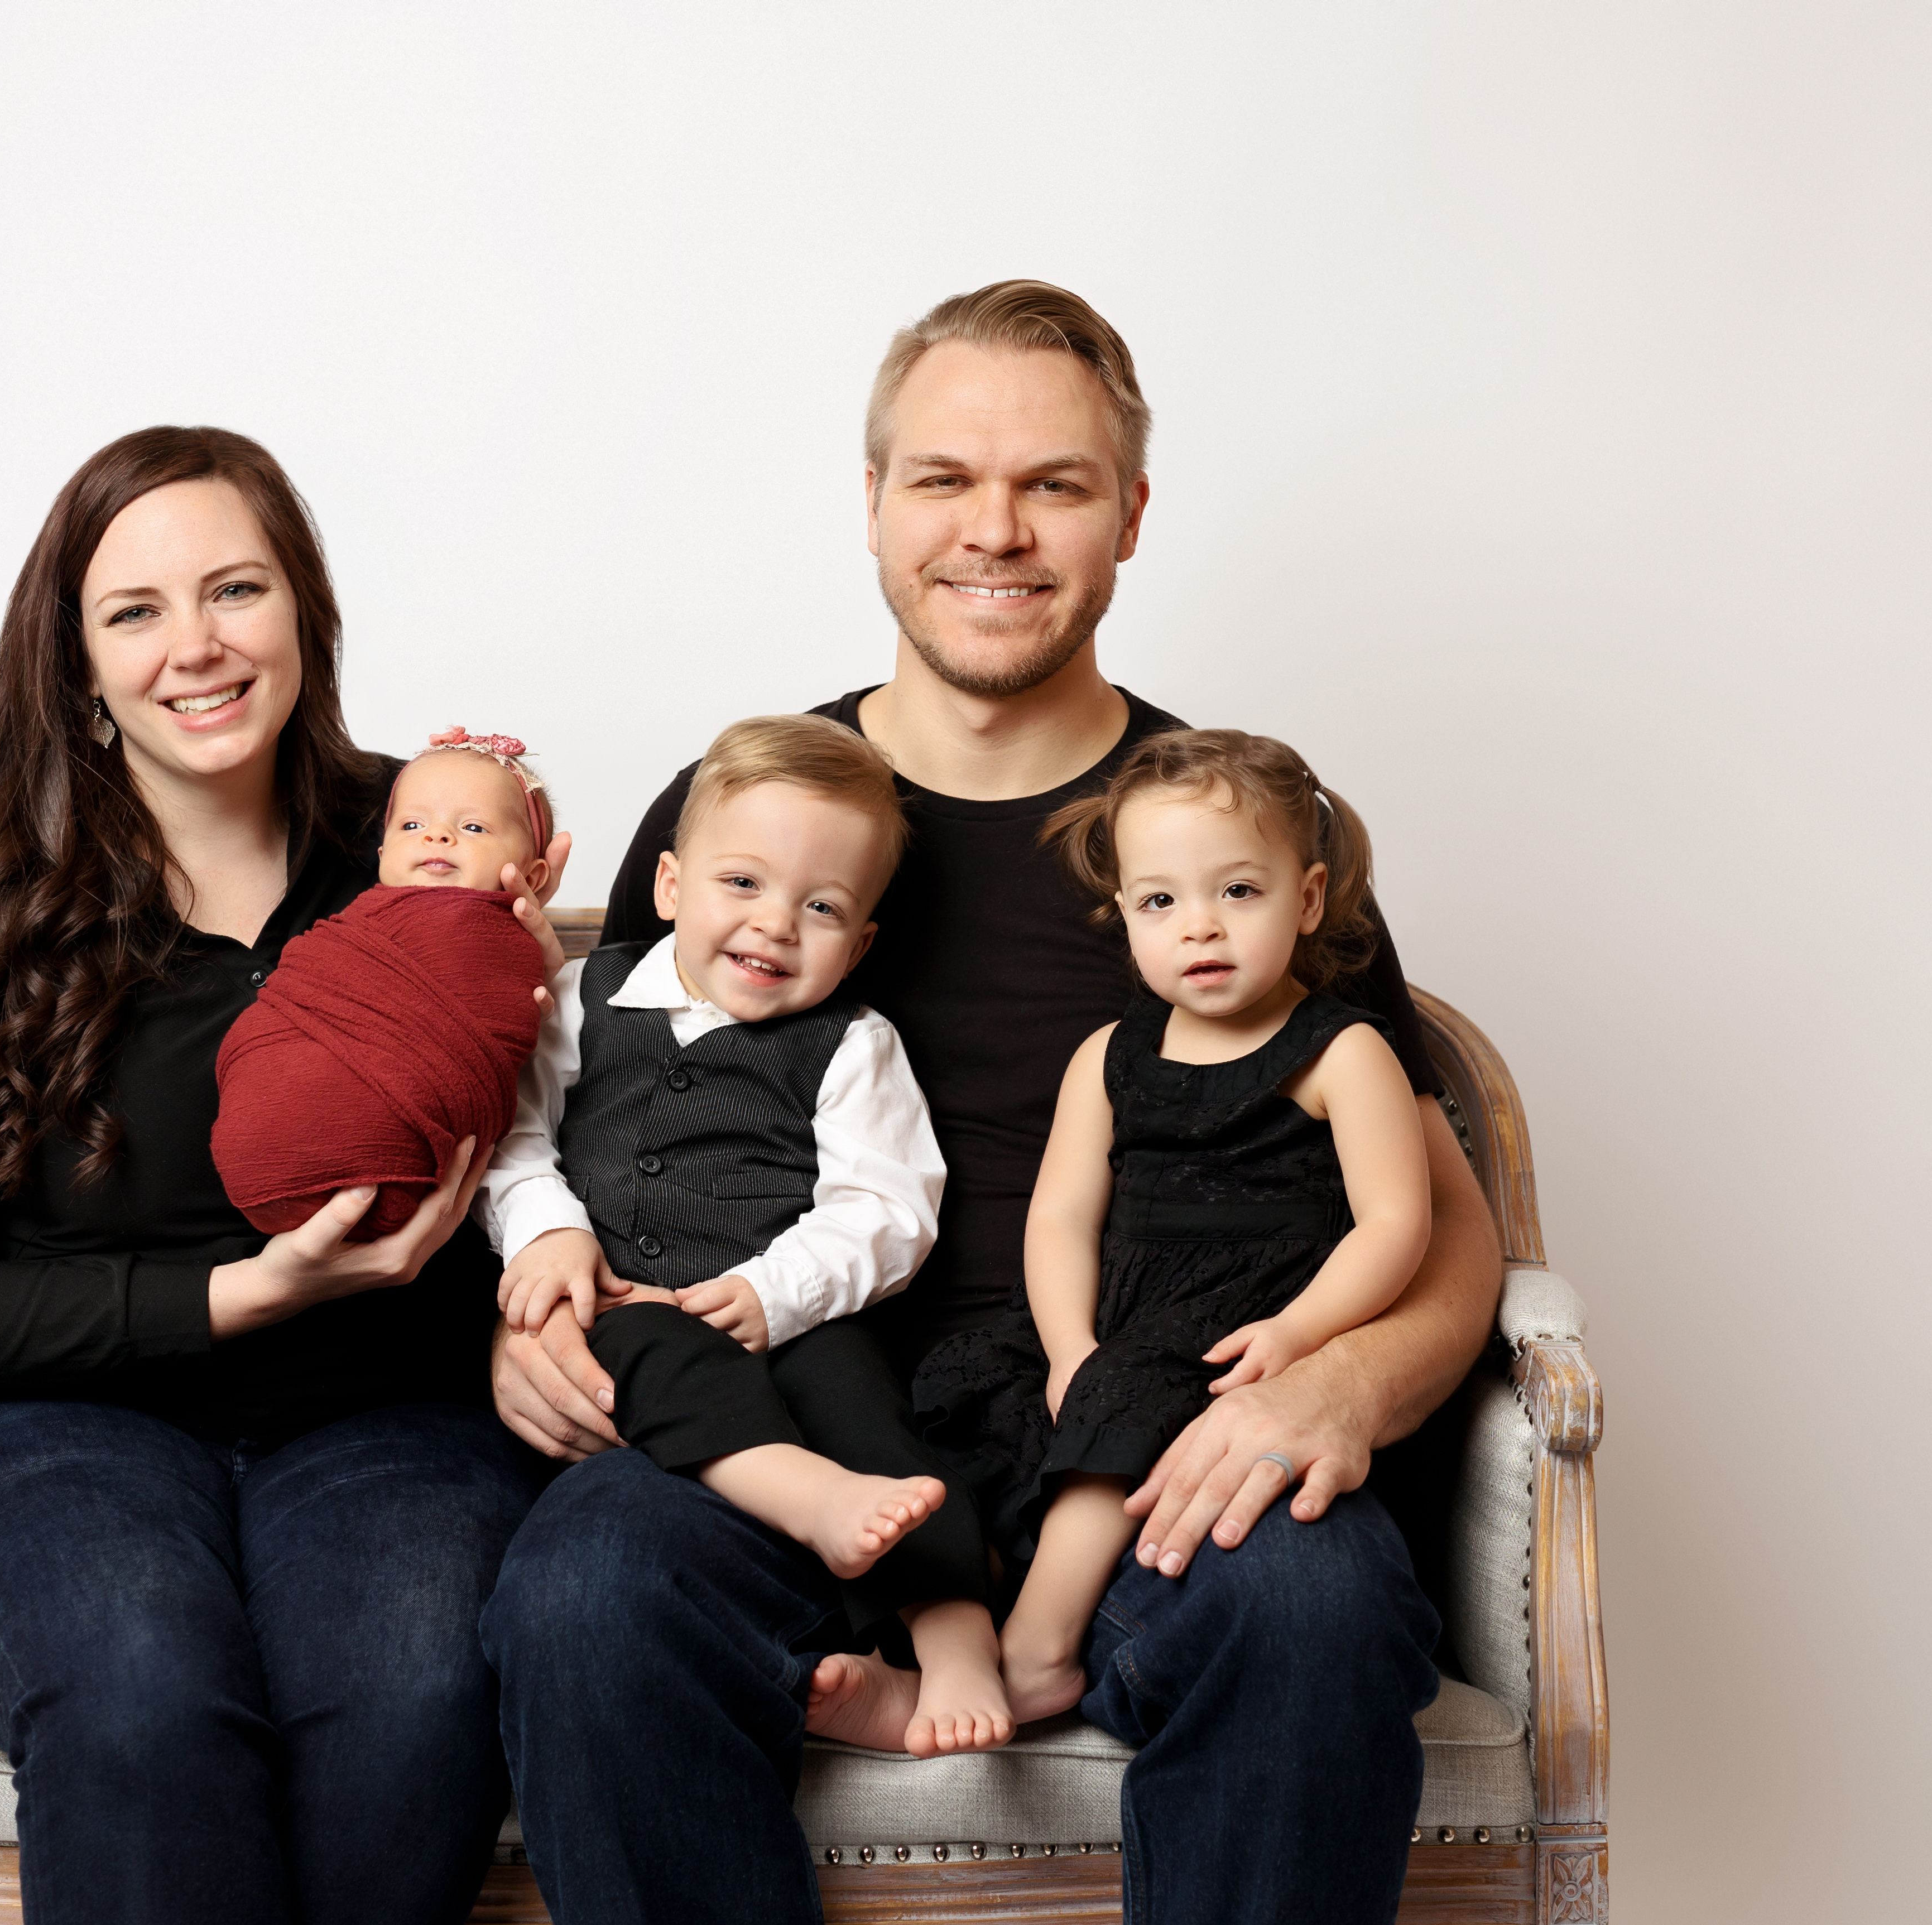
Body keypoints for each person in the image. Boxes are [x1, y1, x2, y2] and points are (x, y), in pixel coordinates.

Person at [481, 282, 1500, 1925]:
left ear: (1130, 515)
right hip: (776, 1417)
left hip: (1152, 1428)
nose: (995, 531)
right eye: (943, 478)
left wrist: (1350, 1386)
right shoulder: (750, 806)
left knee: (1310, 1610)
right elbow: (582, 1118)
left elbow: (1440, 1220)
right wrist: (527, 1312)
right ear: (872, 504)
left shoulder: (1226, 822)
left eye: (1054, 483)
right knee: (586, 1593)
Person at [0, 427, 568, 1925]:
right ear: (74, 661)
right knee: (143, 1691)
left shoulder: (434, 845)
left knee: (415, 1697)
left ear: (307, 614)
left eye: (238, 590)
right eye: (137, 611)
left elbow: (549, 1154)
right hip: (23, 1423)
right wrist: (242, 1291)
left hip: (382, 1412)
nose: (199, 646)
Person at [894, 728, 1432, 1747]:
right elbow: (1059, 1218)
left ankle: (1036, 1660)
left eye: (1240, 893)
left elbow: (1398, 1223)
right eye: (1161, 902)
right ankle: (940, 1649)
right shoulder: (1109, 1055)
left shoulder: (1341, 1052)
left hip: (1243, 1332)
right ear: (1125, 917)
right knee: (965, 1428)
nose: (1202, 929)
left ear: (1308, 899)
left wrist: (1301, 1332)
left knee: (1124, 1409)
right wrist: (1066, 1351)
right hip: (1112, 1324)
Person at [488, 713, 1012, 1756]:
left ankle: (957, 1639)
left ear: (859, 942)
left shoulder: (854, 1043)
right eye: (743, 885)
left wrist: (780, 1293)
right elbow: (512, 1136)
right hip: (627, 1300)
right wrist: (547, 1236)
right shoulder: (586, 1001)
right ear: (673, 887)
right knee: (644, 1358)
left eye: (820, 907)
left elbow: (891, 1209)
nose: (775, 925)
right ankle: (809, 1499)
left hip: (794, 1307)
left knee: (867, 1410)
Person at [210, 729, 557, 1239]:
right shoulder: (360, 921)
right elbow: (302, 986)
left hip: (398, 1180)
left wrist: (529, 959)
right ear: (380, 854)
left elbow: (500, 1031)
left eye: (474, 827)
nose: (436, 836)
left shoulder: (503, 943)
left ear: (535, 874)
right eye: (412, 824)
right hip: (256, 1164)